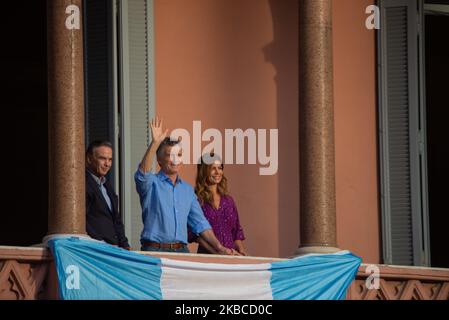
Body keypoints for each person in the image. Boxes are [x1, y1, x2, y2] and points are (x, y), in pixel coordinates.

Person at [134, 117, 238, 255]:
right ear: (159, 160)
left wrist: (220, 248)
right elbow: (143, 174)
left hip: (181, 251)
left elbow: (201, 224)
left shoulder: (187, 190)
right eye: (170, 155)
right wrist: (155, 143)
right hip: (155, 250)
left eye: (179, 154)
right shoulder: (152, 183)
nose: (176, 159)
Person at [191, 153, 247, 255]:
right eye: (213, 168)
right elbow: (195, 236)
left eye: (220, 168)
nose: (217, 172)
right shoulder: (196, 200)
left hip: (231, 256)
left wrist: (241, 251)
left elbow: (236, 232)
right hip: (208, 258)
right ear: (204, 171)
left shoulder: (229, 201)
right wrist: (218, 253)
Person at [85, 141, 130, 249]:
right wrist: (99, 242)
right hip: (96, 249)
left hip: (113, 249)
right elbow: (81, 220)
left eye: (110, 159)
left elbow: (116, 220)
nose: (107, 164)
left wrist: (125, 245)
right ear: (89, 159)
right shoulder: (83, 183)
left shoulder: (107, 185)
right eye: (102, 158)